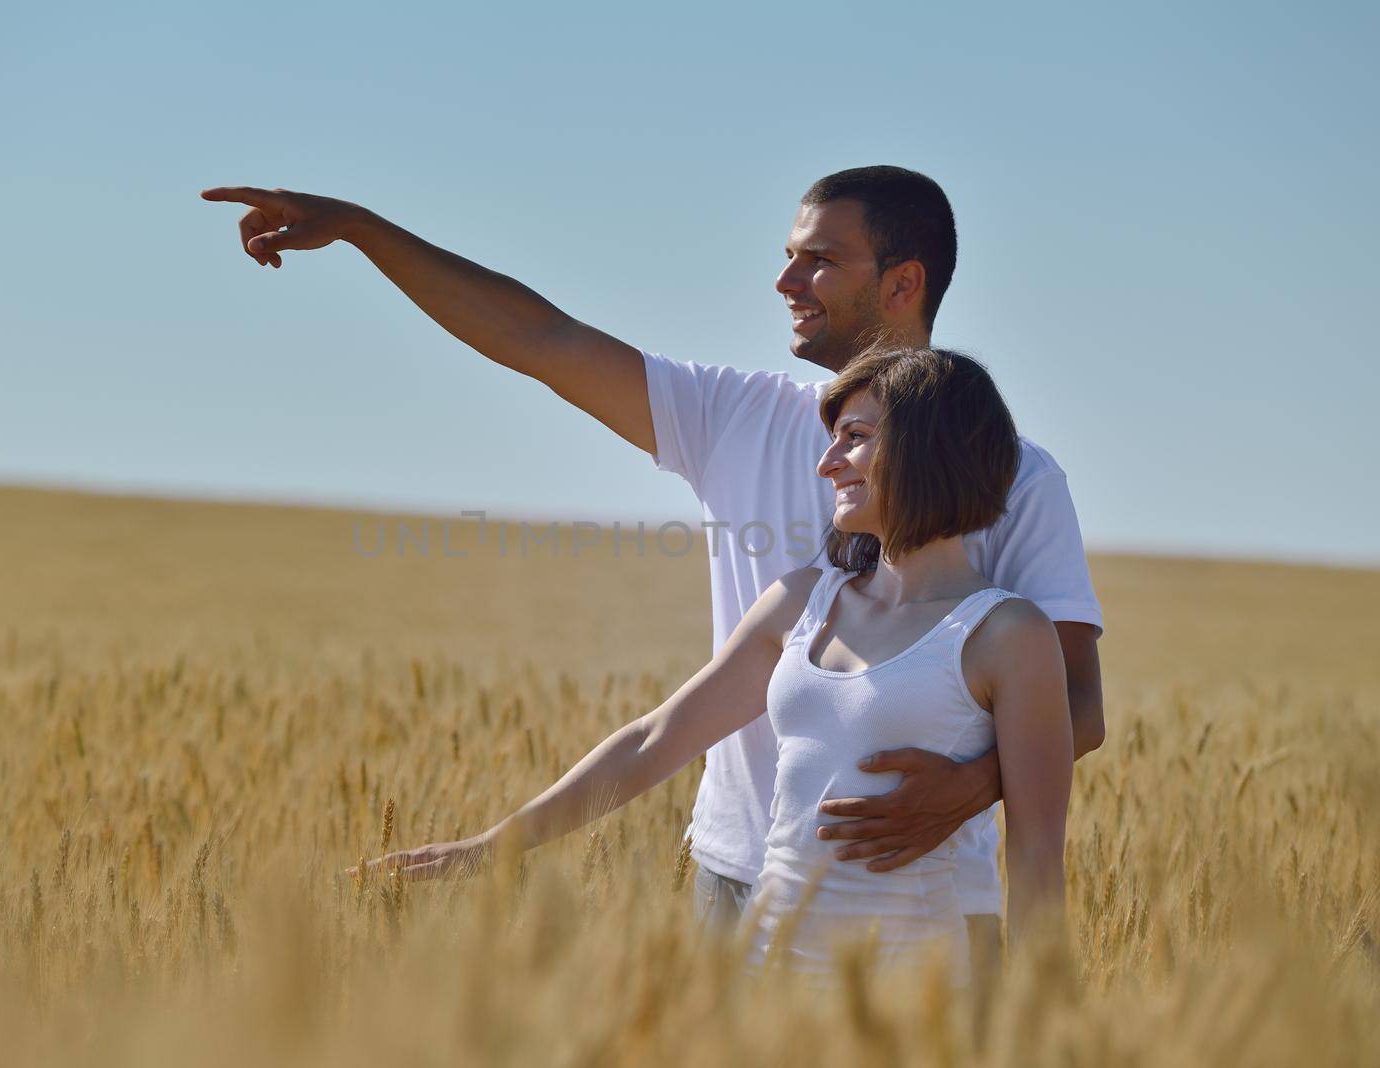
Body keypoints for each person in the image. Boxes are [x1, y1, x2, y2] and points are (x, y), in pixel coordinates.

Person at [200, 165, 1104, 969]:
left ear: (904, 281)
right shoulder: (737, 422)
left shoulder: (1019, 479)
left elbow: (1075, 706)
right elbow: (541, 342)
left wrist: (971, 789)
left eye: (819, 260)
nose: (786, 280)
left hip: (920, 905)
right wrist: (365, 231)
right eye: (789, 255)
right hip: (737, 879)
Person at [355, 348, 1074, 986]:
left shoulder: (1007, 633)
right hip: (766, 977)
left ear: (929, 450)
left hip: (918, 996)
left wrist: (1045, 1020)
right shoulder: (803, 602)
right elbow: (655, 739)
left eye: (854, 439)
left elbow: (1039, 852)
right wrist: (493, 846)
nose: (826, 463)